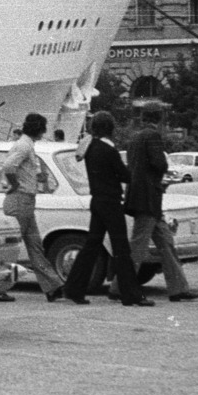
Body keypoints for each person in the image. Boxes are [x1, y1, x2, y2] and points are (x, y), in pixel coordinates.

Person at [61, 112, 150, 307]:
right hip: (110, 203)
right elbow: (125, 176)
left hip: (98, 201)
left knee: (91, 246)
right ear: (110, 128)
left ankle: (73, 288)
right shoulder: (109, 150)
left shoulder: (90, 147)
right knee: (121, 248)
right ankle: (130, 294)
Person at [115, 108, 198, 304]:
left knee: (165, 242)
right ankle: (121, 287)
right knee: (140, 245)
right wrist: (164, 165)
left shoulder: (135, 137)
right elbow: (159, 163)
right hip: (149, 197)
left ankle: (178, 288)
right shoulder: (152, 135)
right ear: (159, 120)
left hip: (140, 196)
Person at [1, 112, 66, 302]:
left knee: (35, 245)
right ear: (40, 130)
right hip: (20, 200)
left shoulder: (26, 144)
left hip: (25, 201)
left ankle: (53, 286)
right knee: (13, 247)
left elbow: (16, 169)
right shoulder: (24, 146)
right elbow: (8, 167)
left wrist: (31, 179)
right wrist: (15, 185)